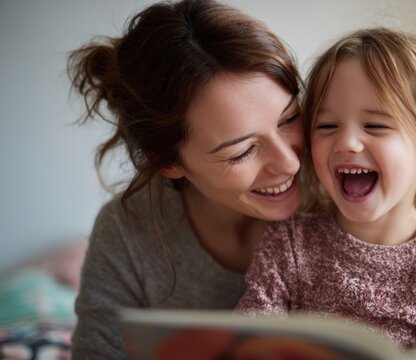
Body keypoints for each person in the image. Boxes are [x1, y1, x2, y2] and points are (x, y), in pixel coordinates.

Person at [237, 27, 416, 348]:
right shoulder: (289, 243)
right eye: (327, 126)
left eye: (375, 125)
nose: (347, 142)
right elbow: (249, 347)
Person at [67, 0, 304, 357]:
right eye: (242, 152)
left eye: (289, 119)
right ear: (167, 162)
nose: (289, 164)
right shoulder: (128, 233)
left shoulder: (343, 193)